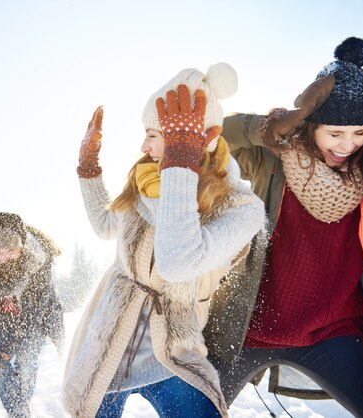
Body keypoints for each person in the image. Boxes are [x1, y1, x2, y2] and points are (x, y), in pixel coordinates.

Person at [206, 37, 363, 418]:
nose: (347, 145)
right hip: (244, 330)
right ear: (311, 123)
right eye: (335, 133)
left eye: (360, 133)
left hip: (332, 331)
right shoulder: (273, 158)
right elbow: (210, 138)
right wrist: (265, 128)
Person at [62, 65, 266, 418]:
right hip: (110, 340)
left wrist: (179, 168)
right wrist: (88, 169)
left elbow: (177, 261)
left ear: (201, 138)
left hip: (171, 347)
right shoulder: (145, 180)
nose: (143, 146)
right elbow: (105, 225)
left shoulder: (240, 208)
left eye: (154, 134)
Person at [0, 212, 64, 418]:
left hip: (36, 318)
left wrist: (6, 353)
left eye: (10, 250)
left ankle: (20, 408)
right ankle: (19, 413)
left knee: (26, 360)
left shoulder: (39, 260)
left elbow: (33, 314)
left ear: (21, 247)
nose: (2, 257)